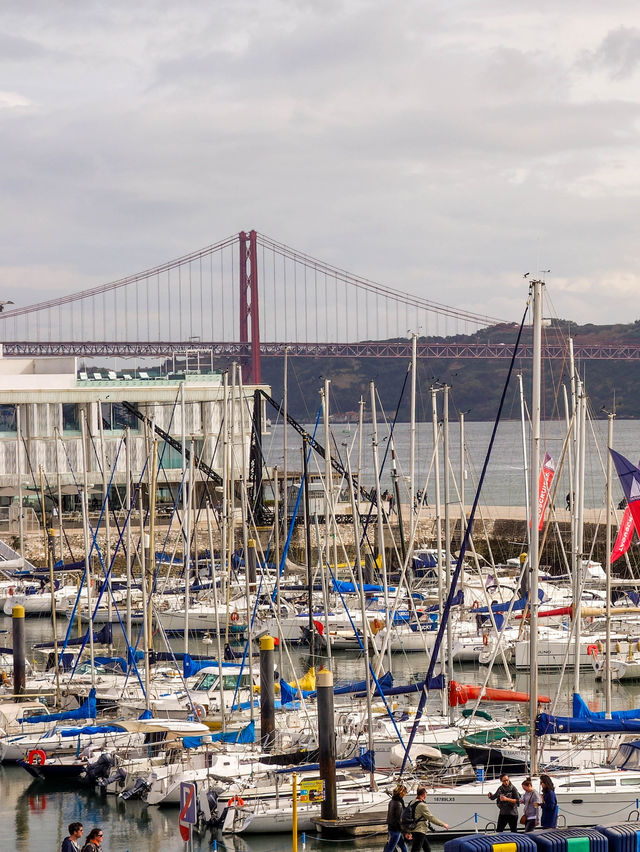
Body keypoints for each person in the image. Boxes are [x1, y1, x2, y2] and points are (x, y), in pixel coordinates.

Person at [411, 786, 449, 852]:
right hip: (419, 830)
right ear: (423, 794)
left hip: (416, 829)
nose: (426, 794)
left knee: (427, 849)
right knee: (416, 850)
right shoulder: (422, 805)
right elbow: (431, 818)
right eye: (426, 793)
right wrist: (443, 824)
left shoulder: (412, 802)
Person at [383, 783, 409, 852]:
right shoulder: (399, 804)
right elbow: (399, 820)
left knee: (403, 846)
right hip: (396, 829)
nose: (405, 794)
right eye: (405, 793)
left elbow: (389, 815)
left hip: (391, 827)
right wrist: (405, 831)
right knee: (390, 848)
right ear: (402, 793)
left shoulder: (392, 801)